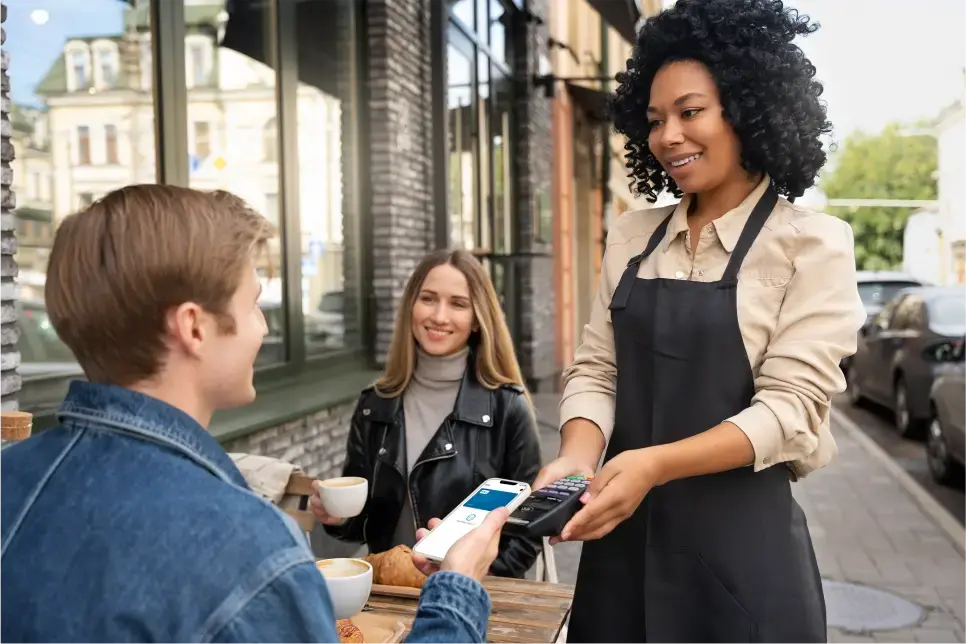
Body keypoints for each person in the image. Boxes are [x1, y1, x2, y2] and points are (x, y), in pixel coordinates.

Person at [0, 185, 505, 643]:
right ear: (194, 327)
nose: (263, 329)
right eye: (253, 305)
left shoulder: (10, 479)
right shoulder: (247, 549)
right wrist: (456, 592)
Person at [534, 1, 867, 642]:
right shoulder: (632, 236)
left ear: (748, 109)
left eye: (691, 112)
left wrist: (653, 465)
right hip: (620, 552)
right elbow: (598, 369)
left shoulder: (812, 244)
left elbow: (791, 409)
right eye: (656, 120)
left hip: (741, 565)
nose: (668, 137)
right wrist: (577, 456)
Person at [312, 249, 543, 578]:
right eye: (428, 299)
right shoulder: (374, 404)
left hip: (471, 598)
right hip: (389, 595)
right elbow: (362, 526)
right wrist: (336, 518)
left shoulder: (507, 407)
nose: (439, 316)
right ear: (410, 307)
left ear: (478, 319)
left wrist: (459, 576)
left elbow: (526, 536)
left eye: (458, 304)